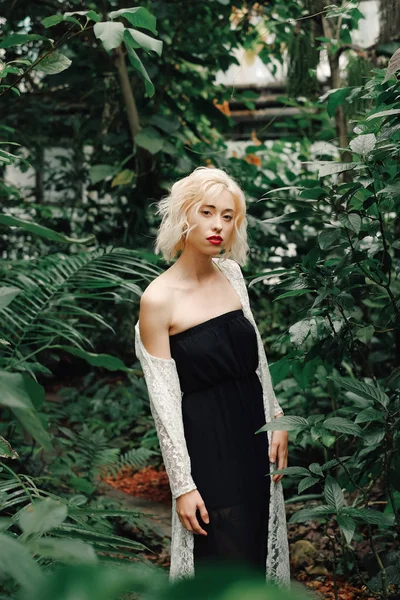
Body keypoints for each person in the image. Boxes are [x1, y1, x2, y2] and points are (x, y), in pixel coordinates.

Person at [134, 166, 290, 586]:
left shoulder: (232, 275)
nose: (218, 225)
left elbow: (256, 355)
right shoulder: (158, 300)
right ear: (185, 214)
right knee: (222, 550)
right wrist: (182, 485)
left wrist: (277, 417)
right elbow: (163, 402)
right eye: (207, 212)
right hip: (206, 443)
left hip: (253, 433)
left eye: (228, 216)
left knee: (258, 543)